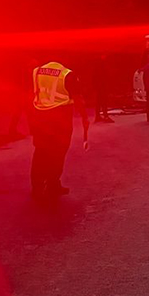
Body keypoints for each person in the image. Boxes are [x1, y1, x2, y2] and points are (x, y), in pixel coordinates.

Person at [30, 60, 89, 200]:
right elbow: (78, 98)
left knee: (40, 151)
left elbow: (31, 93)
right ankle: (52, 184)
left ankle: (37, 186)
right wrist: (84, 118)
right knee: (58, 152)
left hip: (39, 115)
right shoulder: (67, 74)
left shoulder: (37, 71)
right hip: (61, 117)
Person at [93, 54, 113, 123]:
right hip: (102, 85)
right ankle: (105, 116)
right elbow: (105, 75)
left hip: (98, 85)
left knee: (98, 101)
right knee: (104, 101)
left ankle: (98, 116)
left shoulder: (96, 64)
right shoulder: (102, 64)